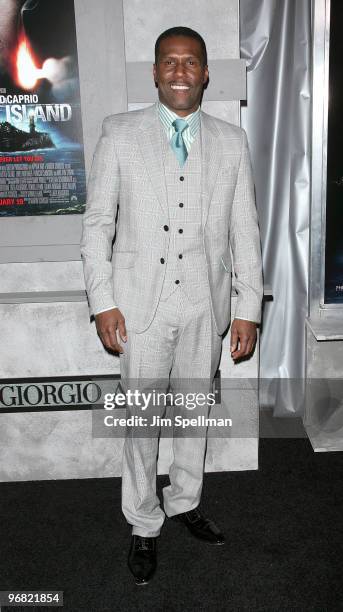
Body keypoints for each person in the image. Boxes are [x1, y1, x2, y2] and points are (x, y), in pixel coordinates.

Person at [81, 26, 263, 585]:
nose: (180, 71)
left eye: (191, 62)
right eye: (170, 61)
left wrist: (247, 308)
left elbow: (245, 232)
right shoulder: (118, 134)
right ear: (154, 72)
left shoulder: (232, 142)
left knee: (192, 415)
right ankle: (143, 521)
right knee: (142, 421)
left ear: (205, 73)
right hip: (139, 309)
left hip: (205, 310)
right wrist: (104, 301)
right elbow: (96, 227)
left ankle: (184, 501)